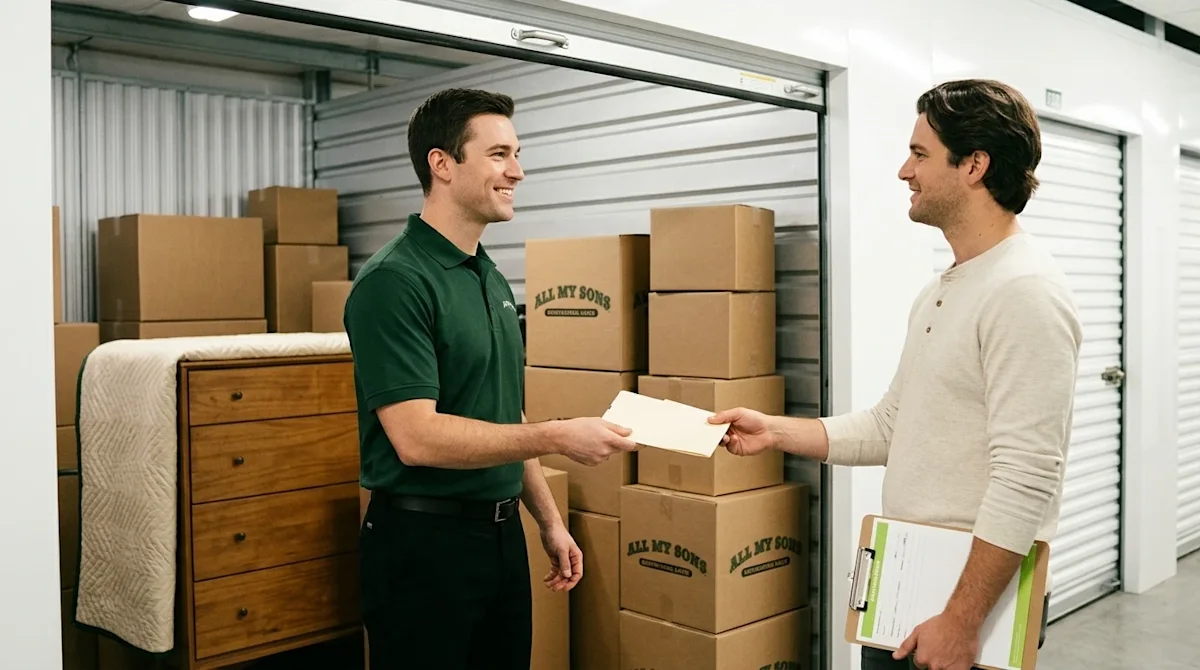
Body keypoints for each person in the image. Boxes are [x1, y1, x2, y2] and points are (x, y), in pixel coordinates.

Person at [710, 79, 1081, 670]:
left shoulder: (1024, 292)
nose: (903, 172)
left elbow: (1027, 476)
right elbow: (891, 426)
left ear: (975, 165)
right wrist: (776, 432)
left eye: (920, 153)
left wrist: (962, 620)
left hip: (968, 611)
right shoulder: (944, 289)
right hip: (907, 590)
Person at [343, 88, 638, 670]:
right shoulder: (395, 281)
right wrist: (558, 436)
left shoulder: (491, 278)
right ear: (442, 164)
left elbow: (506, 416)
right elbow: (416, 437)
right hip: (421, 548)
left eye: (518, 154)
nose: (518, 171)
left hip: (500, 541)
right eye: (500, 154)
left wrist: (549, 522)